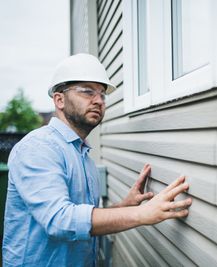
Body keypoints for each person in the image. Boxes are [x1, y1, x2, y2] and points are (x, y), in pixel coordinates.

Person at [2, 53, 192, 267]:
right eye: (87, 91)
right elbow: (60, 220)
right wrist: (141, 213)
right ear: (59, 99)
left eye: (102, 94)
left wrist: (124, 206)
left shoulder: (82, 155)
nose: (99, 101)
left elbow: (83, 219)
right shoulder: (38, 148)